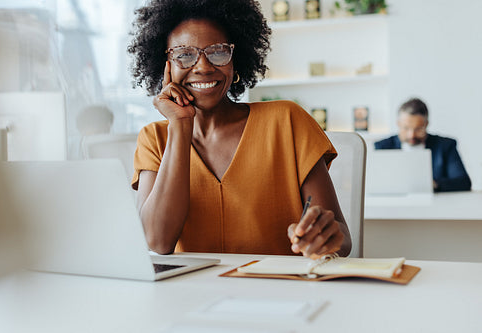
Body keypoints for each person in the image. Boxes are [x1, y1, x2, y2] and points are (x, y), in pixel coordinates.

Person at [127, 0, 351, 259]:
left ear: (236, 60)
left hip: (280, 291)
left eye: (218, 52)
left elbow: (342, 240)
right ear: (165, 65)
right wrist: (179, 126)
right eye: (184, 54)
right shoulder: (154, 138)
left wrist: (325, 238)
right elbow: (157, 241)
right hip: (190, 296)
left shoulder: (287, 121)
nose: (202, 66)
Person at [374, 97, 471, 192]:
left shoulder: (445, 146)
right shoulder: (382, 147)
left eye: (418, 129)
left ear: (426, 124)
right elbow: (374, 183)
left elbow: (463, 182)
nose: (411, 135)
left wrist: (431, 184)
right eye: (406, 128)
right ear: (398, 124)